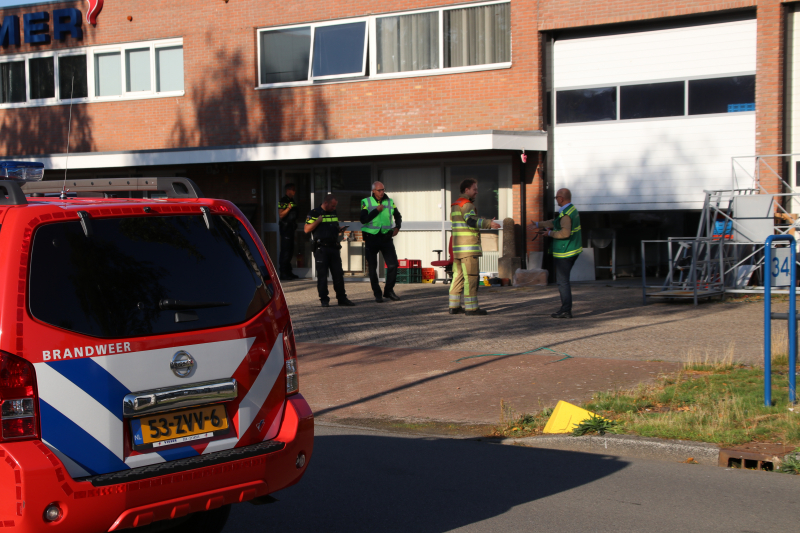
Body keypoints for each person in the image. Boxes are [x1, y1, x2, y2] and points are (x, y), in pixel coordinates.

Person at [449, 179, 502, 315]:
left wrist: (484, 221)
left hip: (458, 249)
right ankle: (472, 308)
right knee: (471, 278)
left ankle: (454, 306)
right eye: (474, 189)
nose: (477, 192)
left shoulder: (455, 205)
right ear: (467, 190)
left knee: (458, 276)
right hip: (469, 249)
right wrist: (488, 223)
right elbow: (471, 221)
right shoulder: (467, 205)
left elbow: (463, 223)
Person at [528, 188, 582, 318]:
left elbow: (565, 233)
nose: (556, 200)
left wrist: (549, 233)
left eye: (556, 197)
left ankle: (566, 310)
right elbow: (554, 222)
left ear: (561, 198)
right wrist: (537, 224)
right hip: (571, 249)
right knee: (563, 281)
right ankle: (565, 309)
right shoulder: (570, 210)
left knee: (562, 282)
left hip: (566, 251)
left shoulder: (566, 214)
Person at [305, 194, 356, 307]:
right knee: (322, 275)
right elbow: (306, 229)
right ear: (326, 203)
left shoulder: (333, 213)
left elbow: (332, 226)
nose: (334, 208)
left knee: (338, 274)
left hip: (334, 247)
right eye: (332, 206)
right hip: (321, 248)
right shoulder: (314, 212)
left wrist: (339, 229)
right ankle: (324, 299)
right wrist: (318, 221)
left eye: (335, 206)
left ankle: (342, 298)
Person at [360, 181, 403, 303]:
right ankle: (377, 294)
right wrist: (376, 211)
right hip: (371, 238)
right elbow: (363, 220)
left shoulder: (390, 202)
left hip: (386, 237)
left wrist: (397, 227)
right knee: (372, 268)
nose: (382, 192)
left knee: (393, 265)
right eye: (379, 190)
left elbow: (398, 215)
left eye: (383, 190)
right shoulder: (366, 202)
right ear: (373, 191)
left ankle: (388, 291)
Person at [278, 184, 300, 280]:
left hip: (291, 229)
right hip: (285, 229)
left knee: (290, 251)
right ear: (288, 190)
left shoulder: (292, 200)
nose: (294, 191)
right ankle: (283, 273)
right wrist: (288, 208)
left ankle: (288, 272)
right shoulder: (283, 200)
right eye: (293, 189)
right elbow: (281, 215)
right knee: (285, 251)